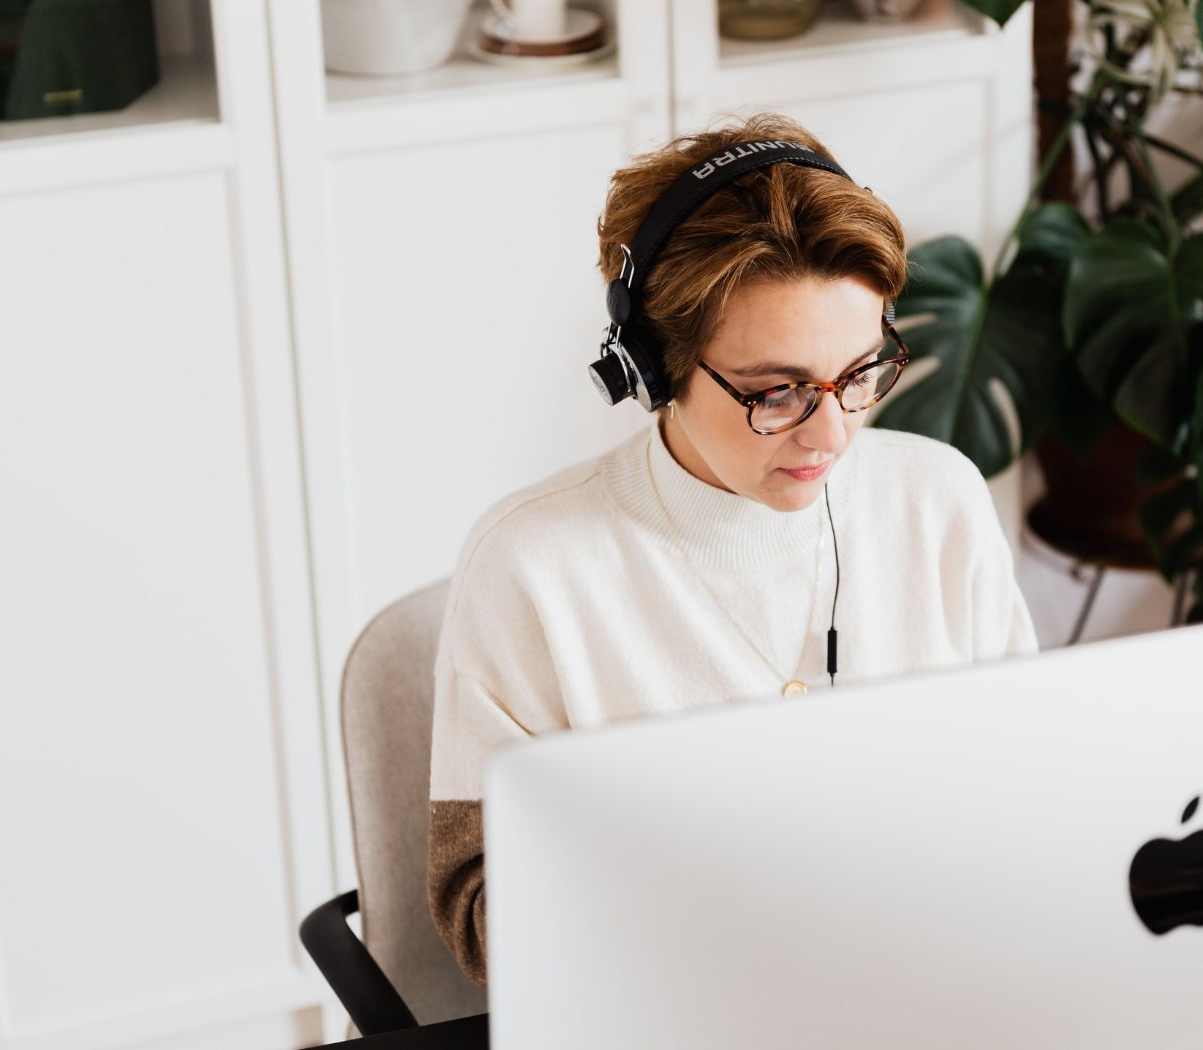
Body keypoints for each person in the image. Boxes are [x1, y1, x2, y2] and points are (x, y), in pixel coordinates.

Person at [427, 112, 1039, 987]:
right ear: (655, 368)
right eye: (777, 391)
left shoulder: (939, 500)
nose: (832, 432)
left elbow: (1029, 786)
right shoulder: (532, 567)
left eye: (860, 373)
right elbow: (482, 914)